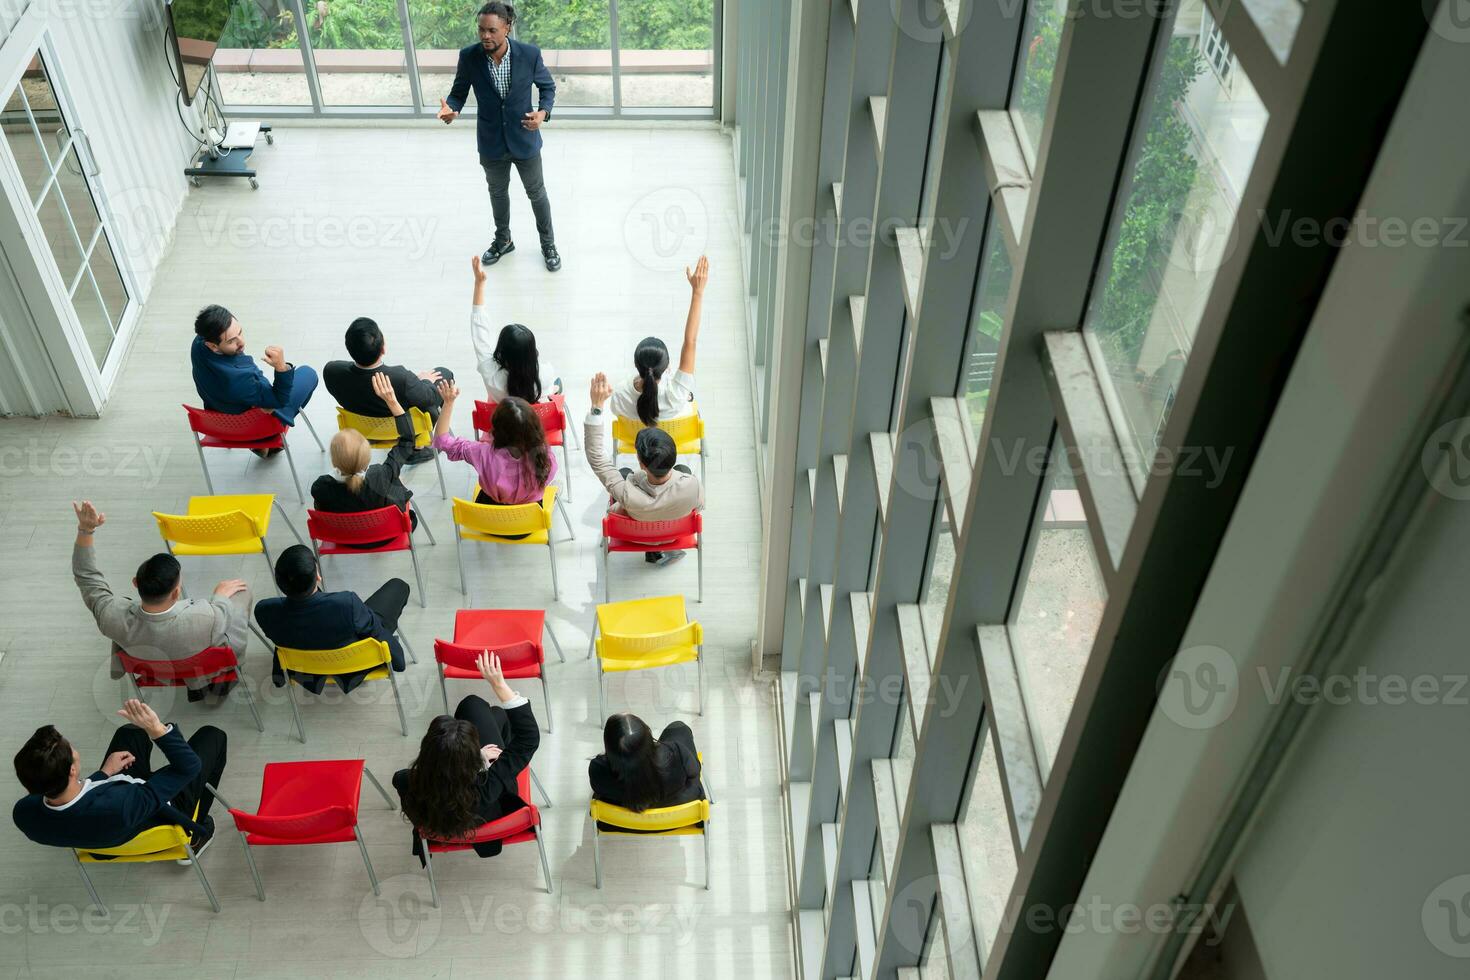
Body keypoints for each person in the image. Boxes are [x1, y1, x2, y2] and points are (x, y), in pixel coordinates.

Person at [71, 501, 251, 702]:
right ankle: (222, 680)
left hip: (153, 671)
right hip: (200, 666)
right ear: (176, 593)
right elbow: (222, 613)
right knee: (240, 596)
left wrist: (85, 530)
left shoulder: (110, 616)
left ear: (135, 583)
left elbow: (86, 576)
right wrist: (220, 597)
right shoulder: (207, 616)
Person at [12, 698, 226, 855]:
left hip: (105, 825)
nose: (73, 747)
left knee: (130, 732)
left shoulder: (23, 814)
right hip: (156, 808)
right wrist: (157, 729)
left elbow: (76, 806)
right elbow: (188, 767)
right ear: (72, 770)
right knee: (213, 736)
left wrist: (103, 774)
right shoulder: (123, 805)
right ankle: (196, 835)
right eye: (71, 748)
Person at [438, 1, 561, 272]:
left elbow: (547, 87)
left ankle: (548, 244)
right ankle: (503, 240)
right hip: (491, 141)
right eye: (481, 30)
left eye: (492, 30)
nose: (485, 36)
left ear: (507, 27)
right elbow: (458, 93)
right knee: (497, 192)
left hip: (524, 138)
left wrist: (543, 113)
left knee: (536, 193)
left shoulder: (529, 54)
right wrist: (452, 109)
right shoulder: (469, 56)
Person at [393, 651, 539, 860]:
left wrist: (475, 757)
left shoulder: (406, 780)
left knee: (492, 713)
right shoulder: (489, 783)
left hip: (447, 826)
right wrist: (499, 684)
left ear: (427, 754)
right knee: (480, 707)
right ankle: (498, 725)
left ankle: (498, 721)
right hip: (491, 818)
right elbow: (528, 739)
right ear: (470, 761)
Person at [253, 545, 409, 695]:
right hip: (354, 664)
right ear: (318, 576)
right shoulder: (347, 603)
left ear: (280, 583)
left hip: (305, 668)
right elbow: (378, 632)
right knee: (398, 586)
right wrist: (398, 661)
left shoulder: (264, 610)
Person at [586, 373, 704, 565]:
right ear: (672, 456)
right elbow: (697, 508)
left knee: (623, 473)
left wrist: (597, 409)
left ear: (641, 463)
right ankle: (659, 551)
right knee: (685, 469)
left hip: (634, 534)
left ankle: (651, 548)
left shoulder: (627, 493)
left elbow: (596, 456)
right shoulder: (693, 486)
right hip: (673, 535)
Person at [312, 373, 421, 547]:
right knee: (396, 483)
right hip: (387, 534)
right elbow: (408, 441)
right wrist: (392, 401)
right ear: (367, 458)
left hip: (345, 540)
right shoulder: (382, 474)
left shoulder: (320, 487)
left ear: (334, 462)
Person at [323, 317, 454, 462]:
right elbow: (429, 398)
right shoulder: (401, 378)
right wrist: (424, 381)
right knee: (443, 374)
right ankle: (416, 449)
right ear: (383, 348)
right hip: (403, 429)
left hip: (362, 430)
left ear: (349, 348)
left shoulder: (331, 371)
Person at [190, 305, 318, 454]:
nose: (241, 342)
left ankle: (263, 442)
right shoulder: (241, 380)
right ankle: (267, 441)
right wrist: (281, 367)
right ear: (213, 346)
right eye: (232, 341)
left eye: (240, 332)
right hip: (250, 427)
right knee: (309, 374)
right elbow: (279, 399)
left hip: (218, 418)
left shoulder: (199, 343)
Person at [610, 257, 709, 425]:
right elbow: (690, 341)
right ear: (668, 366)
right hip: (672, 441)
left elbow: (615, 411)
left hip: (637, 443)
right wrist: (697, 293)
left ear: (636, 365)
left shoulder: (620, 394)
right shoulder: (676, 395)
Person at [432, 380, 557, 506]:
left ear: (495, 428)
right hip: (530, 518)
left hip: (489, 518)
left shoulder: (481, 452)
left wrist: (448, 403)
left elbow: (442, 440)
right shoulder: (545, 458)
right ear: (535, 427)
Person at [467, 255, 562, 402]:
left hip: (503, 419)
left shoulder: (490, 372)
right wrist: (551, 389)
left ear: (502, 350)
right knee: (555, 386)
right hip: (534, 421)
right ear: (531, 352)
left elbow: (479, 331)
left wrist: (479, 284)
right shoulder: (545, 374)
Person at [589, 713, 703, 825]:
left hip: (622, 824)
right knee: (679, 728)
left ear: (610, 747)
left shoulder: (597, 770)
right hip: (677, 819)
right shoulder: (676, 753)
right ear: (648, 739)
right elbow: (695, 770)